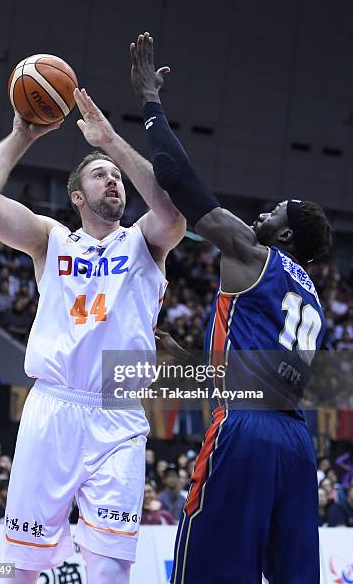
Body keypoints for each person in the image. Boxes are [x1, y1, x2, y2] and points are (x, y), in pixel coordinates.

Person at [130, 32, 332, 583]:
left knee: (207, 571)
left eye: (274, 213)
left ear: (284, 235)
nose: (262, 214)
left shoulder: (254, 252)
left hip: (243, 432)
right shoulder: (313, 295)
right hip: (295, 444)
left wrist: (150, 103)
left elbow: (178, 180)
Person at [0, 86, 185, 584]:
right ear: (77, 197)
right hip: (53, 408)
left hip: (118, 415)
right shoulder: (50, 239)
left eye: (115, 176)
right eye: (99, 174)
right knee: (24, 565)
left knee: (110, 568)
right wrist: (22, 135)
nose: (112, 180)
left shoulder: (145, 242)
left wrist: (111, 144)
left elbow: (172, 212)